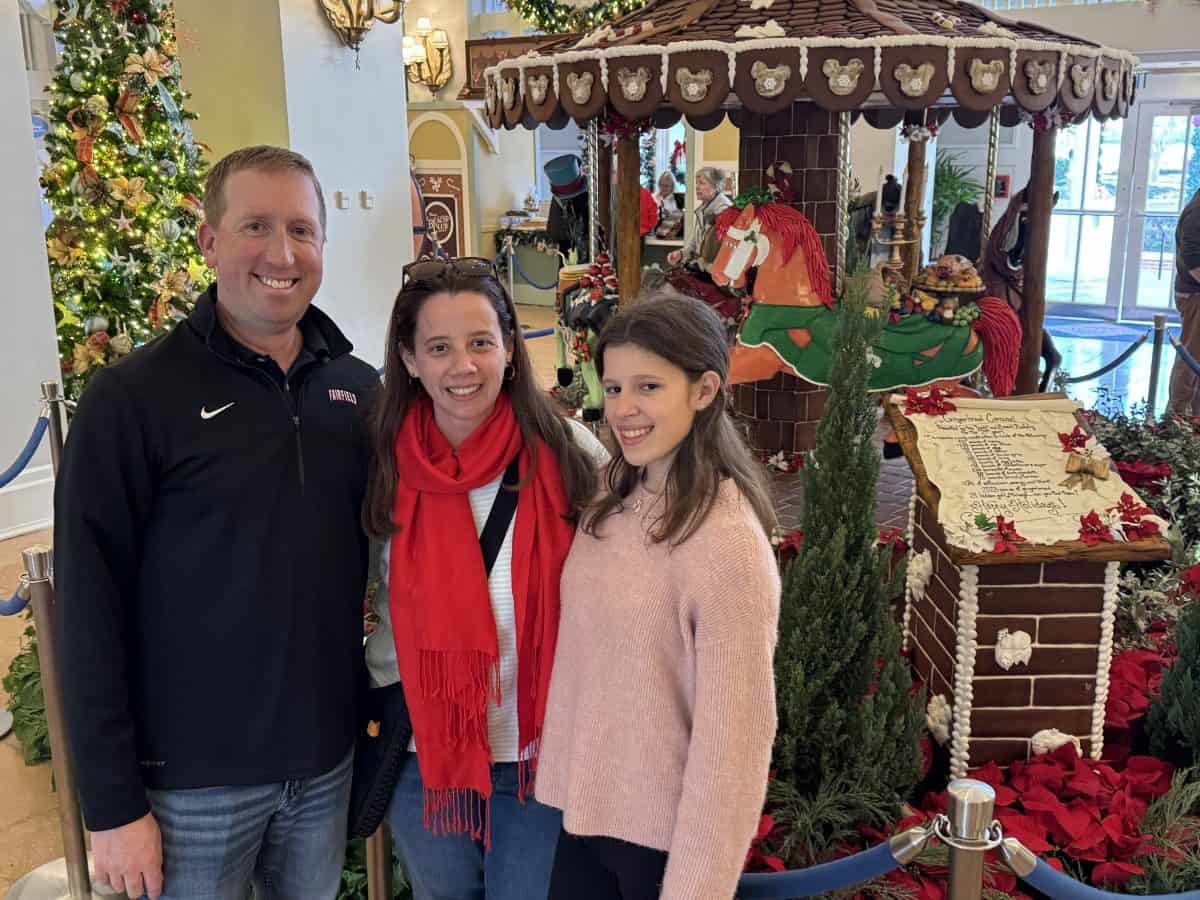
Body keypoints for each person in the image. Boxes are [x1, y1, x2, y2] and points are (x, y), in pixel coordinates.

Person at [53, 146, 379, 900]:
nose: (282, 253)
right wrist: (111, 806)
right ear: (208, 242)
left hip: (322, 768)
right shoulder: (132, 399)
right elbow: (88, 611)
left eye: (302, 229)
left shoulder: (358, 394)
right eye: (255, 226)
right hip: (190, 788)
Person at [361, 257, 607, 900]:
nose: (461, 366)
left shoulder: (571, 455)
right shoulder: (382, 469)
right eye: (438, 347)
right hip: (426, 760)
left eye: (479, 343)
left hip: (541, 756)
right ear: (411, 361)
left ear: (511, 350)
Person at [537, 291, 781, 900]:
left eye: (648, 386)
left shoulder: (726, 542)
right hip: (584, 818)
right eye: (614, 387)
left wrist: (695, 889)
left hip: (663, 846)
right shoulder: (612, 496)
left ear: (703, 391)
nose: (624, 409)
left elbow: (735, 743)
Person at [666, 167, 733, 271]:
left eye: (702, 183)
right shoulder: (704, 207)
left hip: (715, 272)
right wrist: (681, 254)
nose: (697, 187)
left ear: (715, 186)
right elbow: (696, 241)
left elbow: (719, 249)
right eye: (696, 183)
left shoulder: (724, 209)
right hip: (702, 269)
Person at [1170, 186, 1200, 416]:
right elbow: (1192, 259)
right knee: (1191, 357)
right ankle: (1177, 418)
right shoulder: (1197, 210)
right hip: (1195, 295)